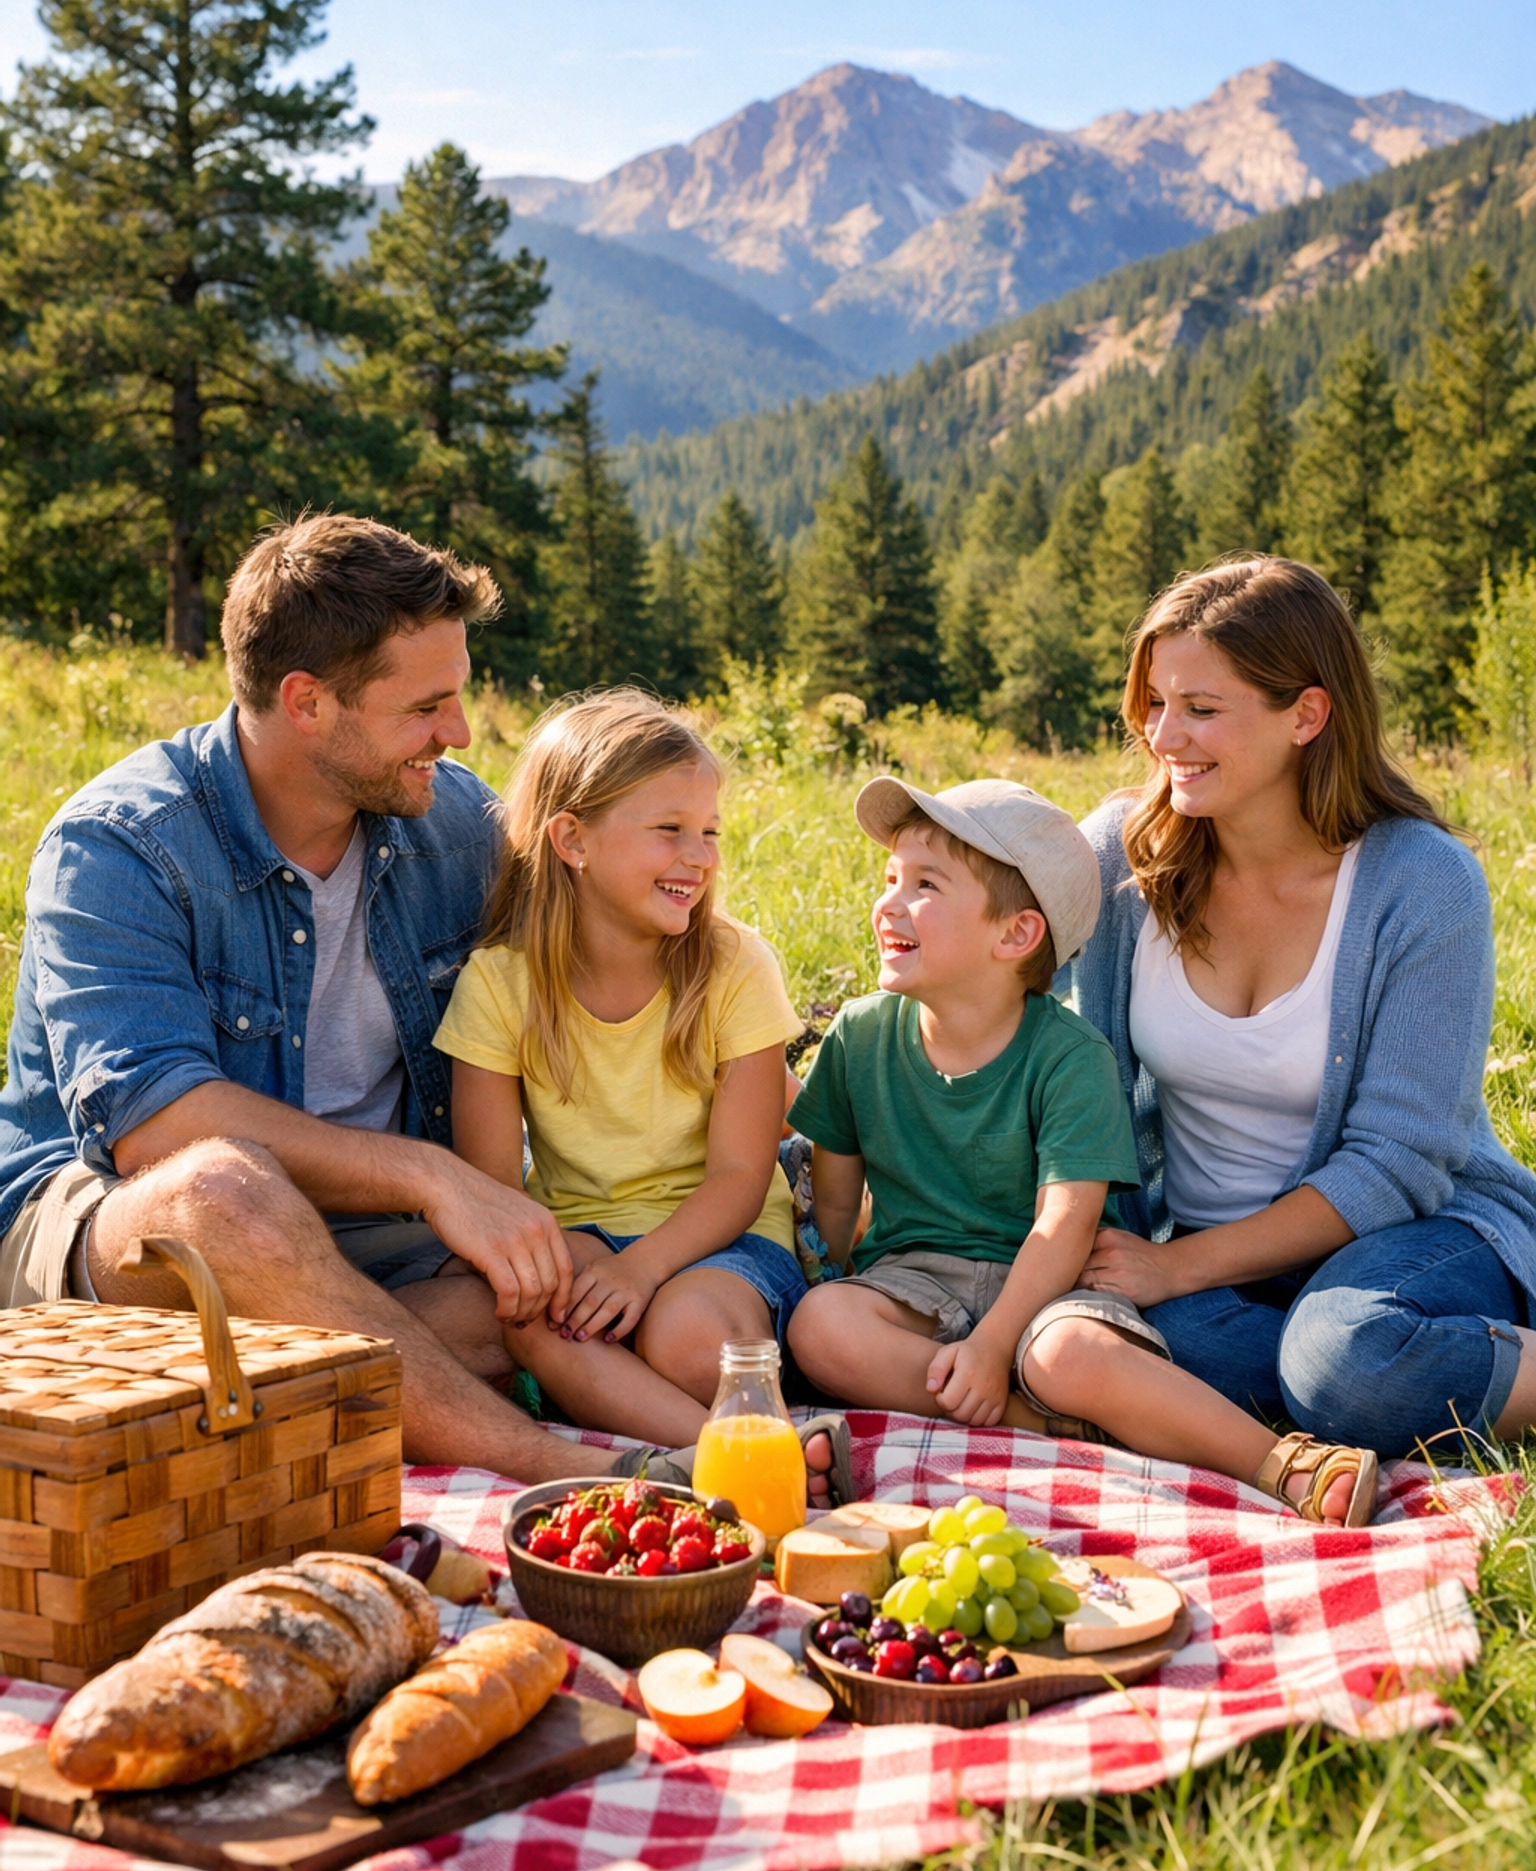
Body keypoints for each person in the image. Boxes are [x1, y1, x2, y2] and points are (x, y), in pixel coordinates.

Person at [0, 516, 631, 1482]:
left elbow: (588, 970)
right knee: (227, 1191)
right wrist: (433, 1178)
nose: (458, 735)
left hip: (360, 1250)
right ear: (307, 702)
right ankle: (546, 1465)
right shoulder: (120, 847)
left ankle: (230, 1391)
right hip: (117, 1228)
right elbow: (156, 1131)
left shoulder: (451, 821)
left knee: (584, 1279)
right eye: (427, 707)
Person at [785, 776, 1377, 1521]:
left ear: (1015, 936)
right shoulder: (859, 1037)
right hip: (915, 1286)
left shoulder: (1069, 1056)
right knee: (821, 1326)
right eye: (891, 879)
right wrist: (831, 1281)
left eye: (925, 885)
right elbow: (834, 1203)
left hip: (1050, 1288)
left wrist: (996, 1343)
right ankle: (1050, 1427)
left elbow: (1064, 1223)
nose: (890, 904)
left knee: (1066, 1357)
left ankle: (1281, 1464)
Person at [1066, 555, 1536, 1465]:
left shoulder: (1422, 884)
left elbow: (1401, 1163)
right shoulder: (1121, 860)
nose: (1165, 736)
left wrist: (1174, 1268)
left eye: (1202, 709)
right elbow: (1001, 986)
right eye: (1156, 703)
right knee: (1104, 1342)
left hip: (1410, 1237)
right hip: (1203, 1255)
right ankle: (1351, 1386)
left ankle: (1404, 1365)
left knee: (1344, 1368)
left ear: (1306, 716)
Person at [434, 687, 849, 1496]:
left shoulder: (733, 967)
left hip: (722, 1238)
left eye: (710, 833)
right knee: (530, 1312)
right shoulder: (500, 984)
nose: (700, 856)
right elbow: (494, 1194)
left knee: (689, 1340)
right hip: (581, 1234)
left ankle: (717, 1439)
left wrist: (643, 1270)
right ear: (572, 840)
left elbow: (740, 1176)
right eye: (669, 831)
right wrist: (553, 1274)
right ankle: (726, 1457)